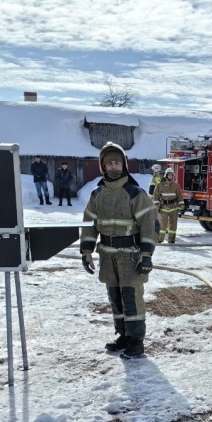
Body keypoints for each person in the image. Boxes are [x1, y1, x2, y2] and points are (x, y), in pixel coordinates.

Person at [80, 142, 157, 359]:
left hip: (130, 256)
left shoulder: (135, 193)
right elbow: (89, 224)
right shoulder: (97, 194)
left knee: (131, 297)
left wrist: (147, 255)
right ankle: (123, 334)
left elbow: (149, 225)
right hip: (107, 255)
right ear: (103, 167)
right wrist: (86, 250)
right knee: (115, 296)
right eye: (109, 163)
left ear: (123, 165)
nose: (114, 166)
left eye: (117, 162)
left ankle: (136, 340)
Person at [152, 167, 184, 244]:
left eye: (172, 175)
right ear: (166, 175)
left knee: (173, 225)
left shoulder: (176, 185)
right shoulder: (160, 185)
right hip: (163, 207)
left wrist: (181, 204)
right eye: (169, 175)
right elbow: (155, 195)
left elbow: (180, 196)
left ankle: (171, 239)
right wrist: (156, 204)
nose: (170, 176)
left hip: (173, 207)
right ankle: (160, 239)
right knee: (163, 224)